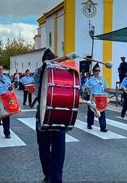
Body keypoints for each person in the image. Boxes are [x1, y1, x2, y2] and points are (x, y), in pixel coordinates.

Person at [33, 49, 88, 182]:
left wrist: (86, 101)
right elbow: (46, 64)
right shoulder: (39, 73)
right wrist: (66, 57)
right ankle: (48, 175)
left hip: (59, 114)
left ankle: (56, 178)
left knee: (57, 151)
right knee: (44, 150)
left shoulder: (62, 75)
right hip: (42, 115)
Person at [84, 63, 108, 132]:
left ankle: (103, 127)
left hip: (101, 97)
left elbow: (105, 88)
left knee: (102, 111)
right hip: (93, 97)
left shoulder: (101, 80)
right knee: (91, 111)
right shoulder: (90, 80)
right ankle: (89, 124)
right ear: (93, 71)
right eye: (96, 70)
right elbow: (84, 88)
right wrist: (88, 87)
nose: (98, 72)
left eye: (99, 71)